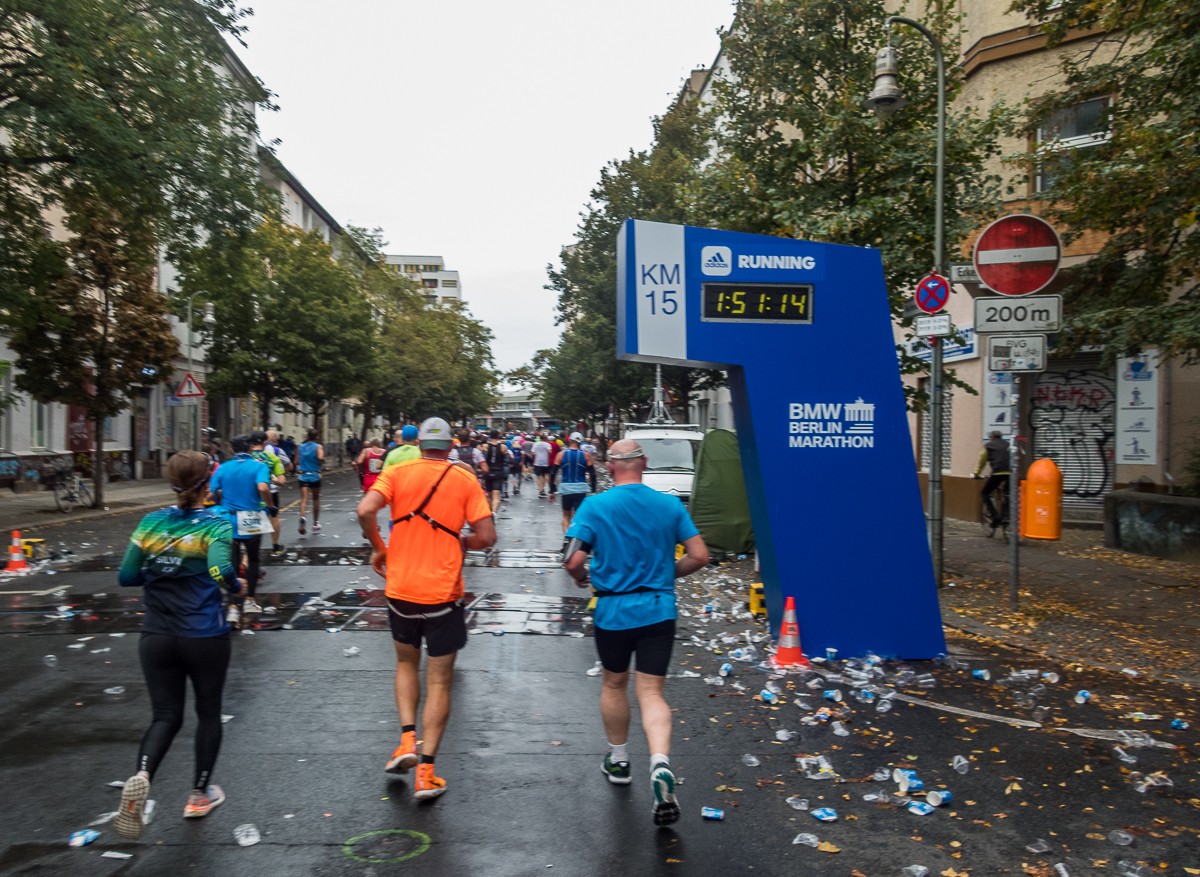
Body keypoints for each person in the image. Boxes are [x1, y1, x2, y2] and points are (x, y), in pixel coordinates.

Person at [562, 439, 708, 826]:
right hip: (659, 610)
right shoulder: (670, 505)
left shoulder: (595, 506)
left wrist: (582, 578)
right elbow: (699, 556)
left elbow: (572, 559)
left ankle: (620, 759)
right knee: (652, 692)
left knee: (614, 685)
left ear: (610, 467)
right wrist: (664, 576)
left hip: (613, 611)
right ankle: (660, 764)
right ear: (643, 463)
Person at [355, 417, 496, 800]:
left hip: (400, 590)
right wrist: (461, 541)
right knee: (439, 681)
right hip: (442, 594)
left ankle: (405, 742)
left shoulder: (397, 471)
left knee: (405, 664)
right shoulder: (464, 479)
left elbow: (365, 510)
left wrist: (379, 547)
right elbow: (488, 536)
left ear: (419, 446)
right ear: (451, 446)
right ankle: (427, 772)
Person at [114, 451, 241, 839]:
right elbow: (221, 570)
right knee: (207, 712)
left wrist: (160, 572)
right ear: (208, 482)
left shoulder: (151, 521)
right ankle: (199, 794)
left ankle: (141, 776)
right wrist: (237, 587)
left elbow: (126, 576)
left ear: (171, 482)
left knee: (165, 716)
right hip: (203, 634)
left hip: (157, 635)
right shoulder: (217, 523)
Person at [207, 435, 271, 622]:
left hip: (229, 518)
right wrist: (270, 506)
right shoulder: (259, 466)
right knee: (253, 559)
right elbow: (263, 488)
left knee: (232, 563)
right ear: (250, 448)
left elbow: (211, 495)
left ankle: (233, 607)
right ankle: (250, 600)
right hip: (252, 518)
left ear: (232, 450)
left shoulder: (223, 467)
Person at [250, 431, 287, 556]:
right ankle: (275, 546)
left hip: (249, 493)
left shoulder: (246, 458)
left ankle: (249, 551)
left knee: (251, 519)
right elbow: (282, 481)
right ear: (265, 442)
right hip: (269, 492)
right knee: (274, 516)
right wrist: (274, 480)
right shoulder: (273, 458)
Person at [973, 430, 1011, 530]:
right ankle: (1006, 515)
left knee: (985, 492)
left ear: (992, 437)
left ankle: (995, 516)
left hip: (997, 473)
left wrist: (976, 474)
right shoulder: (1008, 445)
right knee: (1007, 493)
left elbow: (982, 461)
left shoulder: (989, 446)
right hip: (1010, 474)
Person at [557, 432, 593, 532]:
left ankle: (566, 539)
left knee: (566, 516)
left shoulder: (561, 454)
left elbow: (552, 472)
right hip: (580, 489)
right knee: (579, 516)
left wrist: (551, 490)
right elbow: (593, 474)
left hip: (566, 489)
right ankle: (575, 538)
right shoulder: (586, 456)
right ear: (581, 442)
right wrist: (593, 490)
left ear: (569, 440)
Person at [296, 429, 324, 534]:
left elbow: (296, 461)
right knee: (315, 499)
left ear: (307, 436)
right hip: (315, 475)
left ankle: (302, 516)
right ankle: (315, 523)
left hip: (303, 475)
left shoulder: (300, 447)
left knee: (304, 499)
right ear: (316, 437)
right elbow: (321, 457)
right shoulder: (318, 446)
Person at [481, 430, 511, 513]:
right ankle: (494, 513)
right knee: (496, 496)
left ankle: (490, 512)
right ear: (498, 436)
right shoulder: (503, 447)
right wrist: (506, 475)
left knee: (489, 496)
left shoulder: (485, 446)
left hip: (488, 471)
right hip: (498, 472)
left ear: (489, 436)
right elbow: (507, 461)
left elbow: (484, 458)